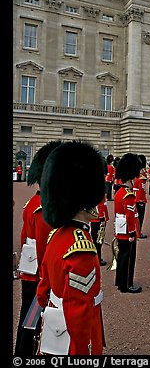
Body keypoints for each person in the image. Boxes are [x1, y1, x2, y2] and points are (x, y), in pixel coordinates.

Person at [36, 140, 106, 355]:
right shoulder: (81, 249)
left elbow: (42, 292)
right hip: (72, 339)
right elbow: (79, 315)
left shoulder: (56, 236)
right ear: (85, 200)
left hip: (54, 327)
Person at [15, 140, 62, 356]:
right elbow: (46, 250)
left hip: (30, 272)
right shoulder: (44, 210)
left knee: (28, 318)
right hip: (39, 279)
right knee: (34, 320)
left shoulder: (32, 204)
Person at [114, 153, 142, 293]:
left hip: (120, 229)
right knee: (128, 258)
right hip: (127, 231)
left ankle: (120, 282)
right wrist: (132, 233)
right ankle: (127, 284)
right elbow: (130, 216)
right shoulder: (128, 194)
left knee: (122, 256)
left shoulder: (119, 192)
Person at [90, 194, 109, 266]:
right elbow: (99, 206)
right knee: (98, 239)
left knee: (97, 239)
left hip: (96, 218)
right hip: (98, 220)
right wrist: (102, 218)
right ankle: (97, 258)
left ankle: (97, 257)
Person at [133, 154, 148, 238]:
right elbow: (142, 190)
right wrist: (141, 200)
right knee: (140, 217)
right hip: (139, 199)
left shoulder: (134, 176)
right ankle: (138, 232)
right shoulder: (142, 178)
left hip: (134, 198)